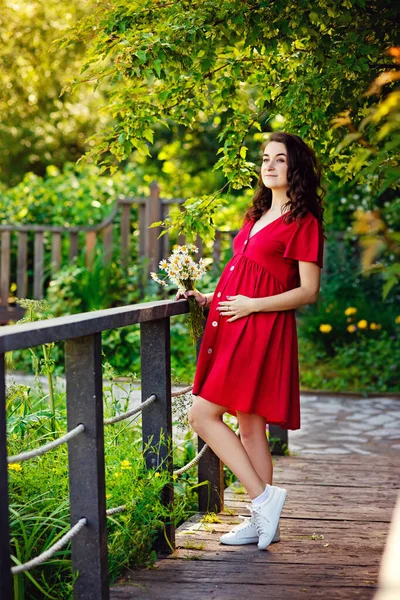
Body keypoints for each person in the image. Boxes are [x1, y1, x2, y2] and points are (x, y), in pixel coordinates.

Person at [176, 131, 325, 550]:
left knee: (202, 415)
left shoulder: (303, 221)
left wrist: (253, 306)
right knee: (250, 423)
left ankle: (263, 498)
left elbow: (308, 291)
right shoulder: (257, 214)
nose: (270, 165)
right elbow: (243, 272)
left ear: (294, 168)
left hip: (259, 328)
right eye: (265, 158)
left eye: (280, 159)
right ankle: (264, 523)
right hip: (234, 324)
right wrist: (206, 298)